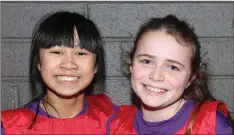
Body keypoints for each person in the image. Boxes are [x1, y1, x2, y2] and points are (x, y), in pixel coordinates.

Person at [109, 14, 233, 134]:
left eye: (173, 67)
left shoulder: (213, 126)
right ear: (131, 65)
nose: (156, 76)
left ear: (190, 78)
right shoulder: (114, 125)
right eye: (147, 61)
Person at [1, 11, 117, 134]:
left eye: (81, 53)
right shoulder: (8, 127)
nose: (68, 64)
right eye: (57, 52)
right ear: (39, 62)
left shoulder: (113, 118)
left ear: (96, 66)